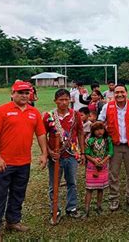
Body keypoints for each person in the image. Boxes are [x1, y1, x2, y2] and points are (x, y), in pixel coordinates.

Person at [0, 81, 48, 241]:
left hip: (23, 163)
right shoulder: (2, 111)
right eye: (20, 93)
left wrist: (44, 153)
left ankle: (13, 221)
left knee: (18, 194)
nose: (24, 95)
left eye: (27, 93)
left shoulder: (34, 112)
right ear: (12, 94)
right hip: (3, 164)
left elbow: (40, 134)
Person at [98, 83, 129, 209]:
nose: (119, 95)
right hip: (115, 145)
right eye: (117, 92)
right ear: (113, 94)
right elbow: (99, 122)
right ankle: (114, 198)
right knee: (113, 173)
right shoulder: (107, 107)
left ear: (126, 93)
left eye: (122, 92)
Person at [43, 89, 85, 224]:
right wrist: (48, 151)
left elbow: (80, 133)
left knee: (72, 182)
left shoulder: (76, 115)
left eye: (66, 99)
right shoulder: (48, 116)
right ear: (55, 101)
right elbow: (42, 136)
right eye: (61, 100)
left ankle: (71, 208)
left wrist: (82, 152)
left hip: (71, 154)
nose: (64, 102)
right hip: (55, 156)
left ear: (70, 100)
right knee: (53, 184)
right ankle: (55, 210)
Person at [83, 122, 114, 218]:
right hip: (92, 166)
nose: (99, 131)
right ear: (93, 131)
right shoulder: (90, 140)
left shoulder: (107, 139)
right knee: (89, 188)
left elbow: (110, 152)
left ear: (104, 130)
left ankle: (98, 206)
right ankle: (86, 209)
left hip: (103, 166)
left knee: (100, 188)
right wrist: (94, 160)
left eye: (101, 129)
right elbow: (86, 153)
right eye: (96, 130)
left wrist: (104, 160)